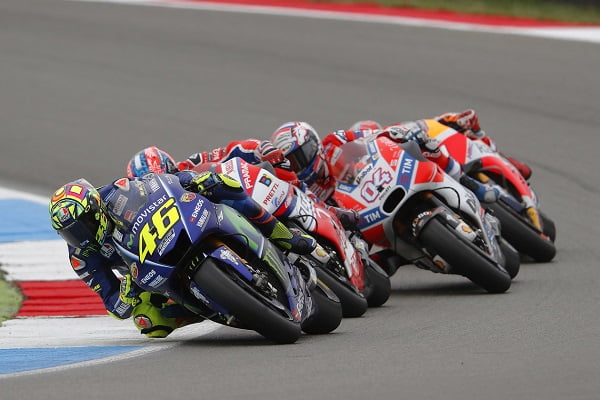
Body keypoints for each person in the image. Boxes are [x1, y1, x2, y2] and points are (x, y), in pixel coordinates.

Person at [49, 171, 319, 338]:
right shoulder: (81, 257)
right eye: (70, 233)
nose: (80, 236)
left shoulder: (115, 191)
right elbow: (113, 307)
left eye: (82, 226)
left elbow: (158, 183)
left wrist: (192, 180)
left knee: (223, 185)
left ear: (95, 208)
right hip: (148, 273)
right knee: (147, 321)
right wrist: (126, 294)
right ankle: (208, 309)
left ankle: (282, 234)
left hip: (172, 231)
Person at [269, 119, 501, 205]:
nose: (299, 166)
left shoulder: (332, 142)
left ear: (313, 145)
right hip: (361, 212)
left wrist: (391, 134)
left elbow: (366, 136)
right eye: (292, 163)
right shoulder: (303, 188)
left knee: (424, 144)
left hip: (380, 177)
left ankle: (469, 183)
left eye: (299, 157)